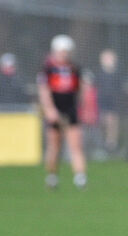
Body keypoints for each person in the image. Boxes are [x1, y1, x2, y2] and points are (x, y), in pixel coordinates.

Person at [36, 35, 87, 189]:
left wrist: (80, 107)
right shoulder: (48, 70)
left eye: (66, 51)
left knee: (76, 145)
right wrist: (50, 110)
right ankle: (52, 176)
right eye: (61, 51)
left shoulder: (74, 69)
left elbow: (81, 89)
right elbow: (44, 91)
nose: (64, 54)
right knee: (54, 146)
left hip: (70, 110)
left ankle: (80, 177)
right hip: (54, 111)